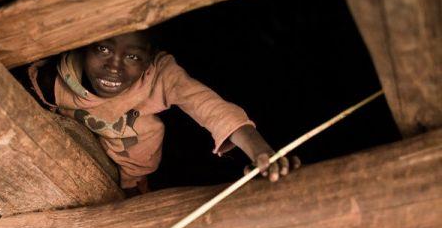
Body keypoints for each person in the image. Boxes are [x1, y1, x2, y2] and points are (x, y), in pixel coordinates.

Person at [30, 31, 299, 195]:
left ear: (150, 58)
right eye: (103, 49)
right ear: (83, 46)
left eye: (132, 57)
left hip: (132, 177)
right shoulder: (51, 77)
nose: (113, 66)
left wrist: (260, 151)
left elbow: (207, 105)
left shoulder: (160, 75)